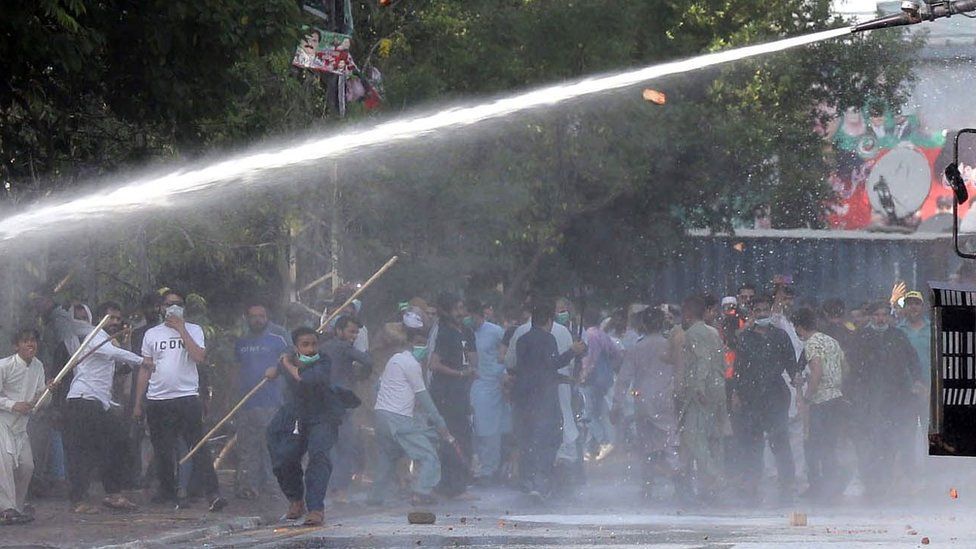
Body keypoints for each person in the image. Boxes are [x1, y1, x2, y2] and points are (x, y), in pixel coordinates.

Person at [133, 289, 226, 511]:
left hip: (186, 397)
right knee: (163, 449)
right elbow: (145, 369)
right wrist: (138, 402)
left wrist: (181, 328)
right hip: (158, 399)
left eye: (177, 304)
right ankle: (169, 492)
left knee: (198, 447)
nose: (172, 307)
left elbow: (199, 357)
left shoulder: (194, 329)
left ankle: (212, 494)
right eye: (168, 304)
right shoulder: (152, 334)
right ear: (161, 308)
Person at [265, 327, 358, 526]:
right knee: (283, 456)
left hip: (322, 415)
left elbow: (304, 378)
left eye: (314, 344)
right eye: (305, 345)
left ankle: (316, 508)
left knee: (318, 457)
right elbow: (274, 372)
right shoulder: (290, 358)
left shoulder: (323, 361)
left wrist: (286, 364)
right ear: (296, 347)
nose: (310, 349)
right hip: (296, 415)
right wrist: (274, 369)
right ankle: (296, 500)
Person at [63, 302, 149, 514]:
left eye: (118, 319)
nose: (115, 323)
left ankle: (113, 493)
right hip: (83, 398)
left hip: (100, 401)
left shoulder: (112, 341)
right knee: (83, 450)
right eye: (111, 318)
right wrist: (143, 360)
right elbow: (113, 354)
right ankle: (78, 500)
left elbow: (118, 365)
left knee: (117, 442)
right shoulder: (95, 336)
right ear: (100, 320)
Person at [368, 307, 454, 506]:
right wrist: (441, 425)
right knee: (428, 455)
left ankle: (375, 497)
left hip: (381, 416)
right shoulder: (411, 364)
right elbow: (424, 398)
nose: (422, 348)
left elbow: (377, 386)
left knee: (387, 458)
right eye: (420, 343)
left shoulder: (394, 360)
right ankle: (421, 492)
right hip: (398, 419)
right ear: (411, 342)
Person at [510, 299, 586, 500]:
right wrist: (573, 351)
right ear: (549, 321)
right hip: (544, 398)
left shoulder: (522, 340)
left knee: (527, 439)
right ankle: (541, 480)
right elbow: (551, 364)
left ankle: (527, 479)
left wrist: (563, 378)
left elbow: (530, 369)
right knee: (548, 438)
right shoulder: (548, 339)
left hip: (524, 397)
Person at [847, 301, 919, 499]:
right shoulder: (861, 336)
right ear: (871, 317)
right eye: (877, 314)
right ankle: (871, 482)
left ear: (889, 316)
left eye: (884, 315)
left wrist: (916, 381)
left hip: (893, 398)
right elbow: (852, 366)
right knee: (868, 442)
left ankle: (884, 481)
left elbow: (912, 360)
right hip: (867, 398)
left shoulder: (897, 336)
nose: (880, 318)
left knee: (889, 442)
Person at [731, 295, 798, 504]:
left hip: (776, 395)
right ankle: (752, 481)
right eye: (758, 311)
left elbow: (792, 366)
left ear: (770, 312)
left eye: (765, 310)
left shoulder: (780, 336)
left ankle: (787, 482)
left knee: (780, 440)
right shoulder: (745, 338)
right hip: (750, 396)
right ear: (752, 313)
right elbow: (739, 369)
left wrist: (799, 385)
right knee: (753, 442)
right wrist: (736, 394)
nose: (762, 314)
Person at [612, 308, 678, 500]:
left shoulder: (637, 348)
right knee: (670, 443)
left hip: (643, 401)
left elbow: (624, 379)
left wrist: (617, 405)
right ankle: (679, 483)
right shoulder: (669, 346)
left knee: (647, 445)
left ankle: (648, 486)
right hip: (667, 399)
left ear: (643, 325)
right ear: (662, 324)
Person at [232, 302, 290, 500]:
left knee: (271, 447)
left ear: (267, 318)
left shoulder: (279, 338)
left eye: (261, 316)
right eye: (253, 316)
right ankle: (249, 488)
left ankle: (275, 488)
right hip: (246, 403)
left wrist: (279, 368)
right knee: (247, 447)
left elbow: (292, 360)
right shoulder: (242, 342)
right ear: (247, 318)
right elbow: (236, 369)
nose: (257, 319)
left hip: (271, 402)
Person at [677, 294, 729, 502]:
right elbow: (720, 360)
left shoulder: (692, 334)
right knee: (714, 436)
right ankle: (712, 482)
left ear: (688, 314)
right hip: (718, 386)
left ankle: (716, 476)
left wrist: (698, 386)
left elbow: (703, 360)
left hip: (704, 389)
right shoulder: (713, 332)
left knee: (693, 435)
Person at [793, 308, 847, 502]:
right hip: (836, 398)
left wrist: (807, 396)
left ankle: (820, 487)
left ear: (799, 327)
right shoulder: (831, 341)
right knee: (830, 445)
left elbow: (816, 370)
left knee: (814, 445)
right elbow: (844, 366)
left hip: (821, 401)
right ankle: (833, 485)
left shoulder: (812, 344)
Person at [428, 292, 477, 497]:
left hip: (461, 394)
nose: (460, 313)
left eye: (462, 308)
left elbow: (474, 359)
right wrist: (459, 374)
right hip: (445, 394)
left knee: (464, 436)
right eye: (456, 309)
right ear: (446, 311)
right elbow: (434, 363)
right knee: (449, 437)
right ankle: (449, 483)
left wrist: (471, 371)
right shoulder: (444, 332)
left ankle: (460, 483)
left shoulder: (466, 331)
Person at [0, 330, 51, 525]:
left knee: (26, 466)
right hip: (3, 421)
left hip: (21, 427)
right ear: (16, 346)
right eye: (26, 341)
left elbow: (39, 401)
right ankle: (7, 509)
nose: (31, 344)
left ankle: (17, 507)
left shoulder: (38, 366)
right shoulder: (4, 366)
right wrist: (13, 405)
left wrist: (48, 390)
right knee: (3, 465)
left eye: (34, 340)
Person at [321, 315, 373, 503]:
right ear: (339, 331)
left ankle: (328, 487)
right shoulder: (343, 347)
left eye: (356, 333)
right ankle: (339, 489)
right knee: (346, 447)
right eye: (351, 332)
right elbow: (367, 362)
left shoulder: (322, 348)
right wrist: (363, 372)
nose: (354, 336)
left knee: (330, 448)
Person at [465, 299, 510, 484]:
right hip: (470, 384)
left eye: (470, 316)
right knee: (474, 429)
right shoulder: (463, 332)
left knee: (489, 430)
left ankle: (489, 470)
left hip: (491, 384)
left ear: (479, 315)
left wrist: (505, 374)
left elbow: (507, 351)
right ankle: (478, 468)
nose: (467, 319)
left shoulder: (495, 331)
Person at [579, 309, 621, 462]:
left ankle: (604, 442)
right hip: (605, 380)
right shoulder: (603, 335)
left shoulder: (589, 335)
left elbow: (590, 359)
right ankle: (589, 450)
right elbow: (616, 354)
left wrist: (583, 375)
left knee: (588, 415)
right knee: (595, 413)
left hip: (591, 380)